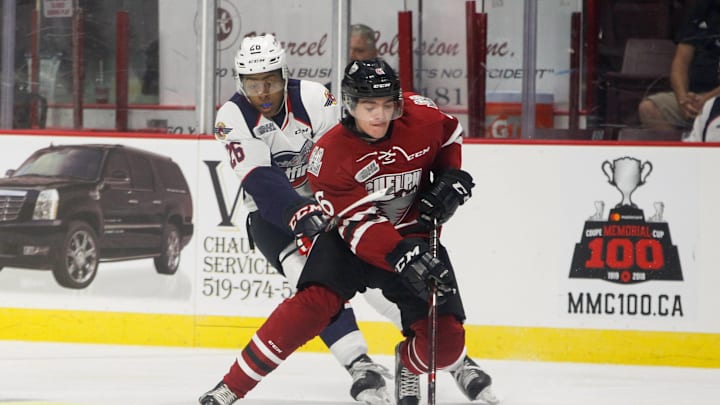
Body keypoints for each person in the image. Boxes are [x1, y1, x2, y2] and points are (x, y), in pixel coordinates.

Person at [199, 58, 498, 405]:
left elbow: (450, 134)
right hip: (347, 242)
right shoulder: (329, 155)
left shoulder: (422, 116)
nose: (379, 116)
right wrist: (402, 254)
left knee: (445, 344)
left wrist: (451, 176)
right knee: (310, 305)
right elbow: (357, 226)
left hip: (411, 238)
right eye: (369, 106)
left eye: (387, 105)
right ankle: (231, 387)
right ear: (352, 105)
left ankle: (412, 362)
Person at [202, 34, 391, 405]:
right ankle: (359, 364)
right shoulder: (231, 117)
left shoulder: (314, 98)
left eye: (270, 81)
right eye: (253, 84)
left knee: (373, 275)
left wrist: (327, 206)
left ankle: (449, 354)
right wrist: (298, 214)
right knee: (312, 283)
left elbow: (338, 155)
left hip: (330, 199)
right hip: (273, 216)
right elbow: (260, 179)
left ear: (284, 75)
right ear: (241, 83)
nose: (264, 92)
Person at [638, 0, 720, 130]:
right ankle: (684, 148)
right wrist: (683, 99)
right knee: (649, 109)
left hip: (715, 99)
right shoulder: (701, 9)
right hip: (693, 98)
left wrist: (706, 100)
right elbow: (680, 63)